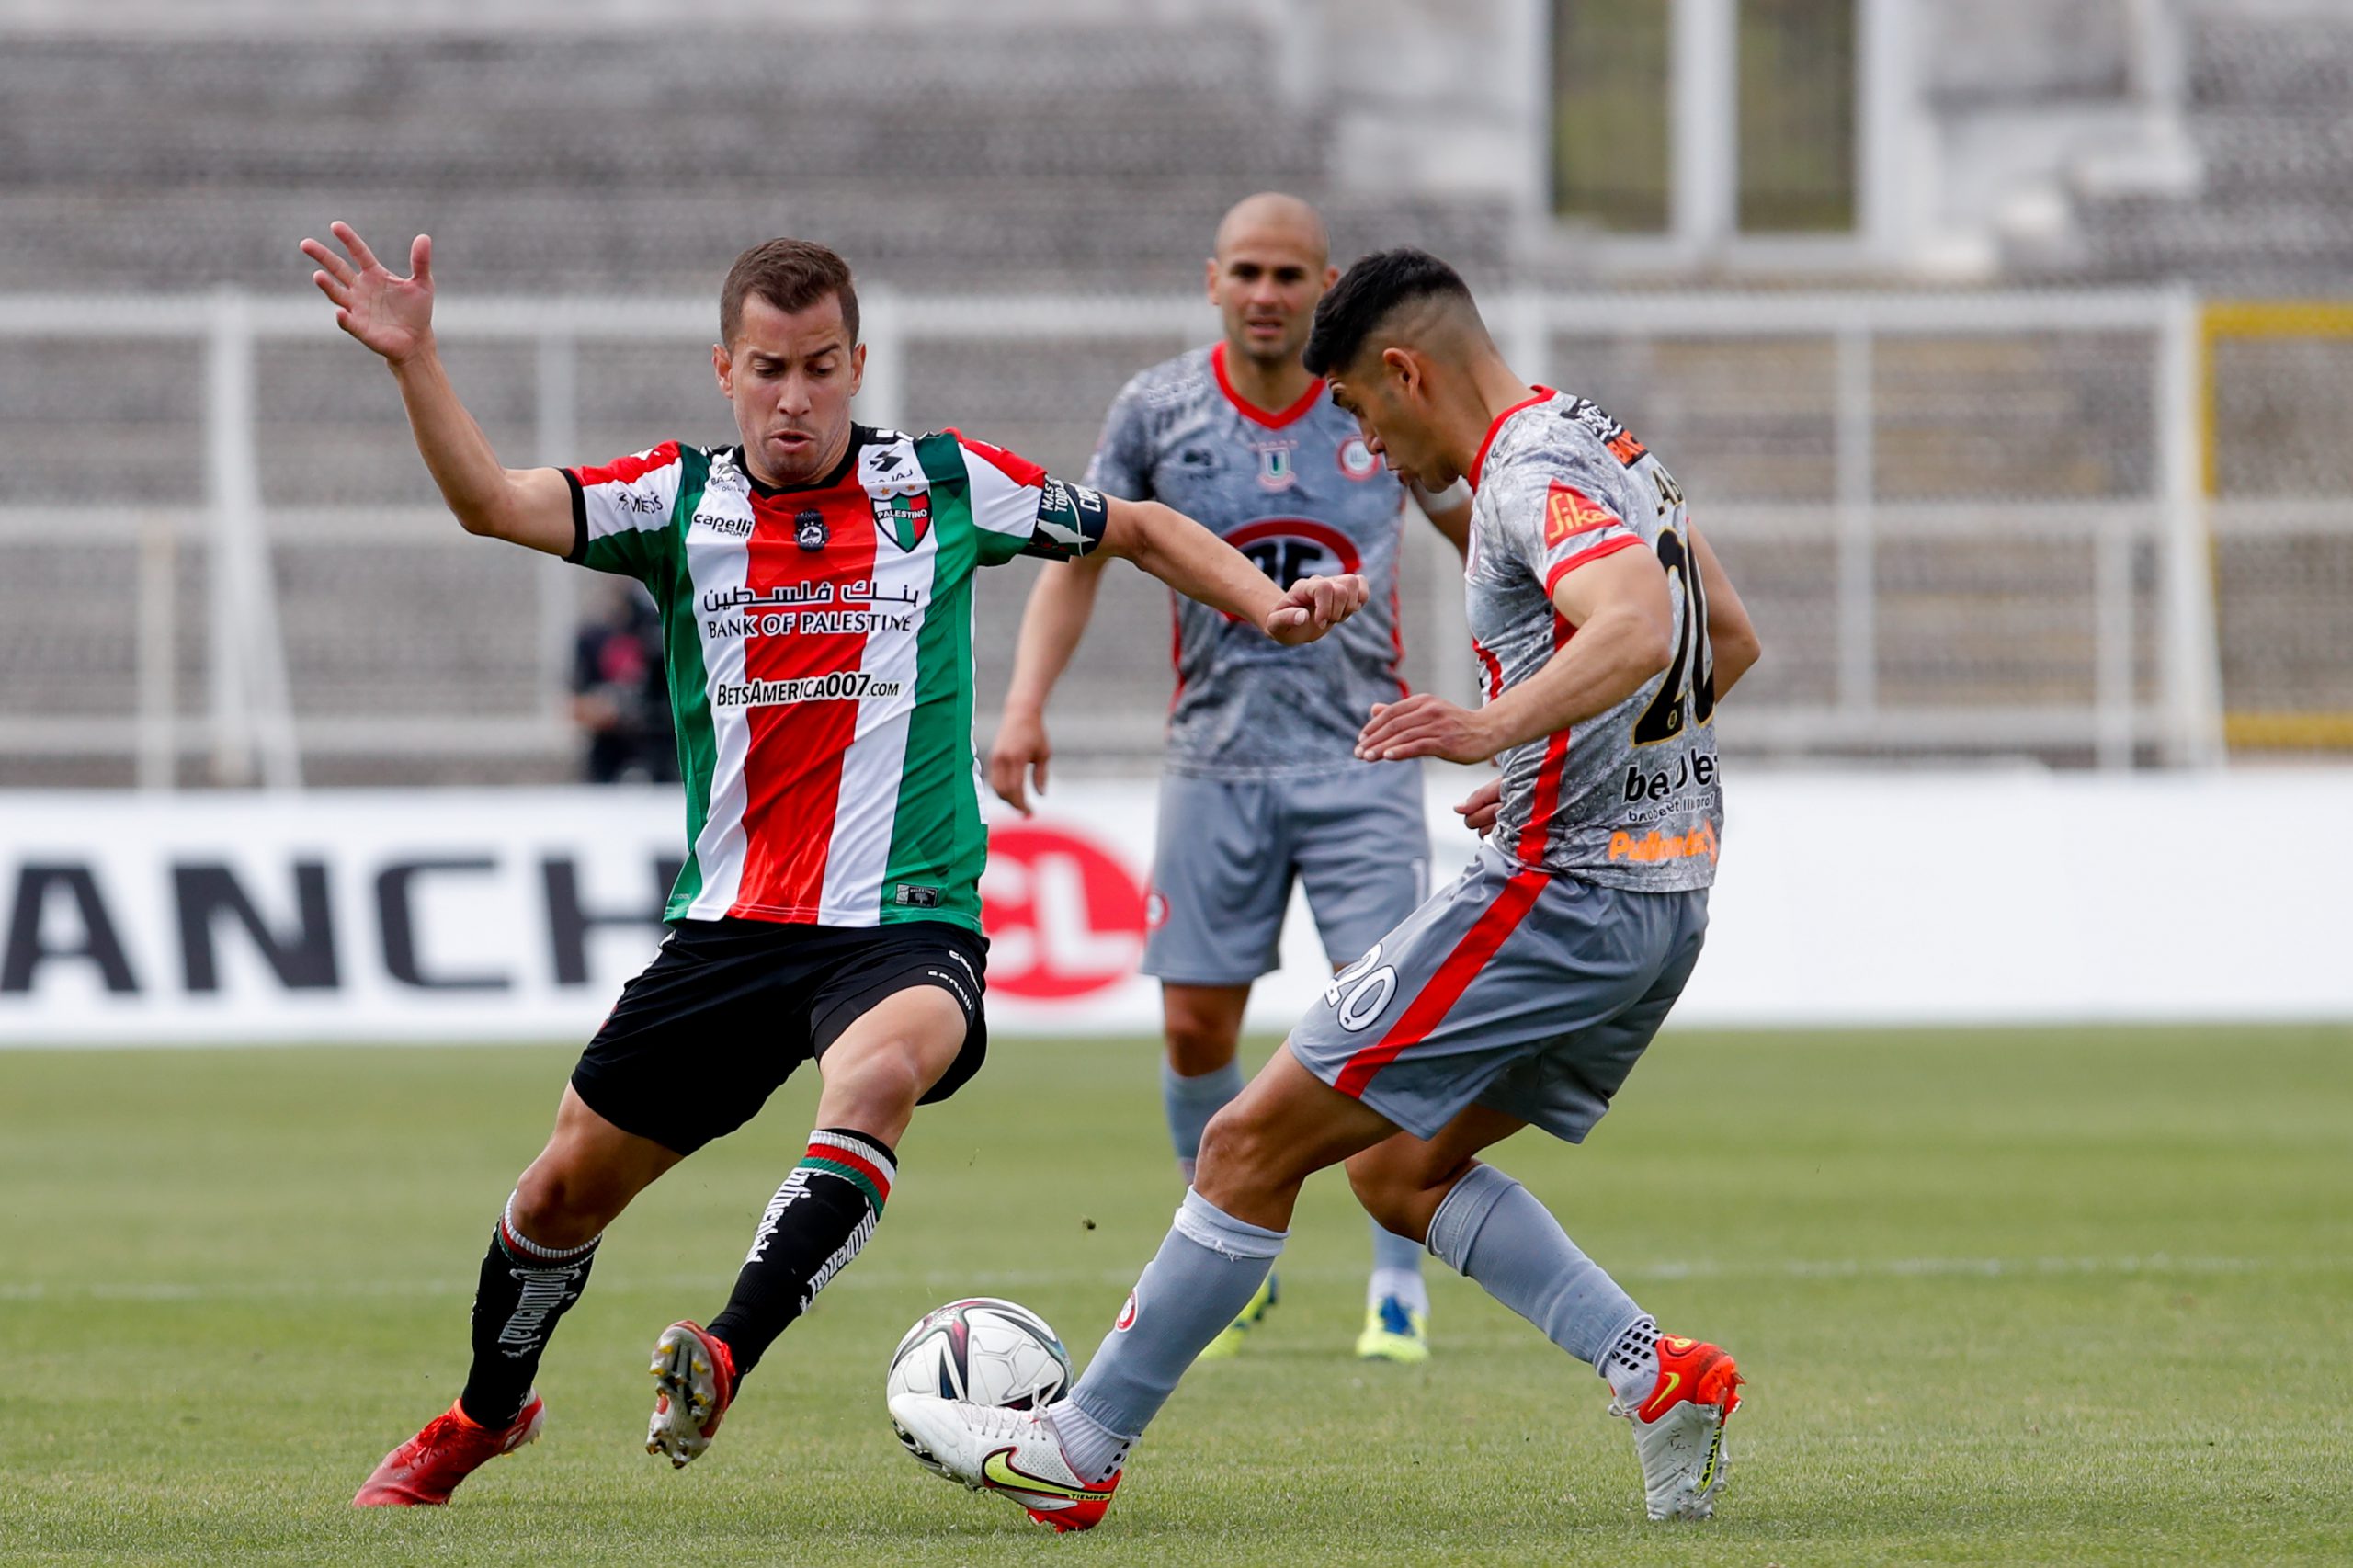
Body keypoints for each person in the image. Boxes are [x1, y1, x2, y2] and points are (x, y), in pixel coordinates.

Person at [299, 222, 1367, 1507]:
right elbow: (491, 504)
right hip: (732, 925)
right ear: (724, 369)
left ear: (857, 364)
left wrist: (1265, 599)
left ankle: (724, 1351)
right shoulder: (675, 502)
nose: (793, 397)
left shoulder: (944, 484)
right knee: (556, 1194)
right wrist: (417, 360)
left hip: (904, 923)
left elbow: (1131, 525)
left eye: (818, 367)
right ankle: (482, 1412)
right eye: (767, 369)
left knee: (874, 1079)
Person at [892, 247, 1765, 1531]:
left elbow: (1636, 624)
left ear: (1405, 371)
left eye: (1359, 410)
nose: (1365, 446)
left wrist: (1488, 730)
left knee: (1246, 1141)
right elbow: (1724, 637)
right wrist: (1551, 759)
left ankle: (1079, 1448)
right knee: (1398, 1170)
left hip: (1558, 895)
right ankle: (1658, 1377)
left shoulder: (1527, 472)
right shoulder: (1605, 441)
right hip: (1663, 894)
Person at [987, 193, 1471, 1364]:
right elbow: (1081, 556)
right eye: (1246, 272)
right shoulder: (1156, 409)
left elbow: (1473, 529)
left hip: (1366, 749)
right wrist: (1022, 701)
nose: (1265, 294)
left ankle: (1396, 1285)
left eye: (1287, 275)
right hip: (1214, 757)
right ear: (1213, 281)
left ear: (1323, 283)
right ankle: (1228, 1255)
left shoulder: (1372, 399)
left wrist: (1523, 682)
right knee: (1198, 1025)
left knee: (1384, 1015)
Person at [571, 580, 678, 783]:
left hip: (662, 749)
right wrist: (609, 709)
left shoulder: (657, 630)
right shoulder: (592, 637)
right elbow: (573, 705)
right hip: (609, 753)